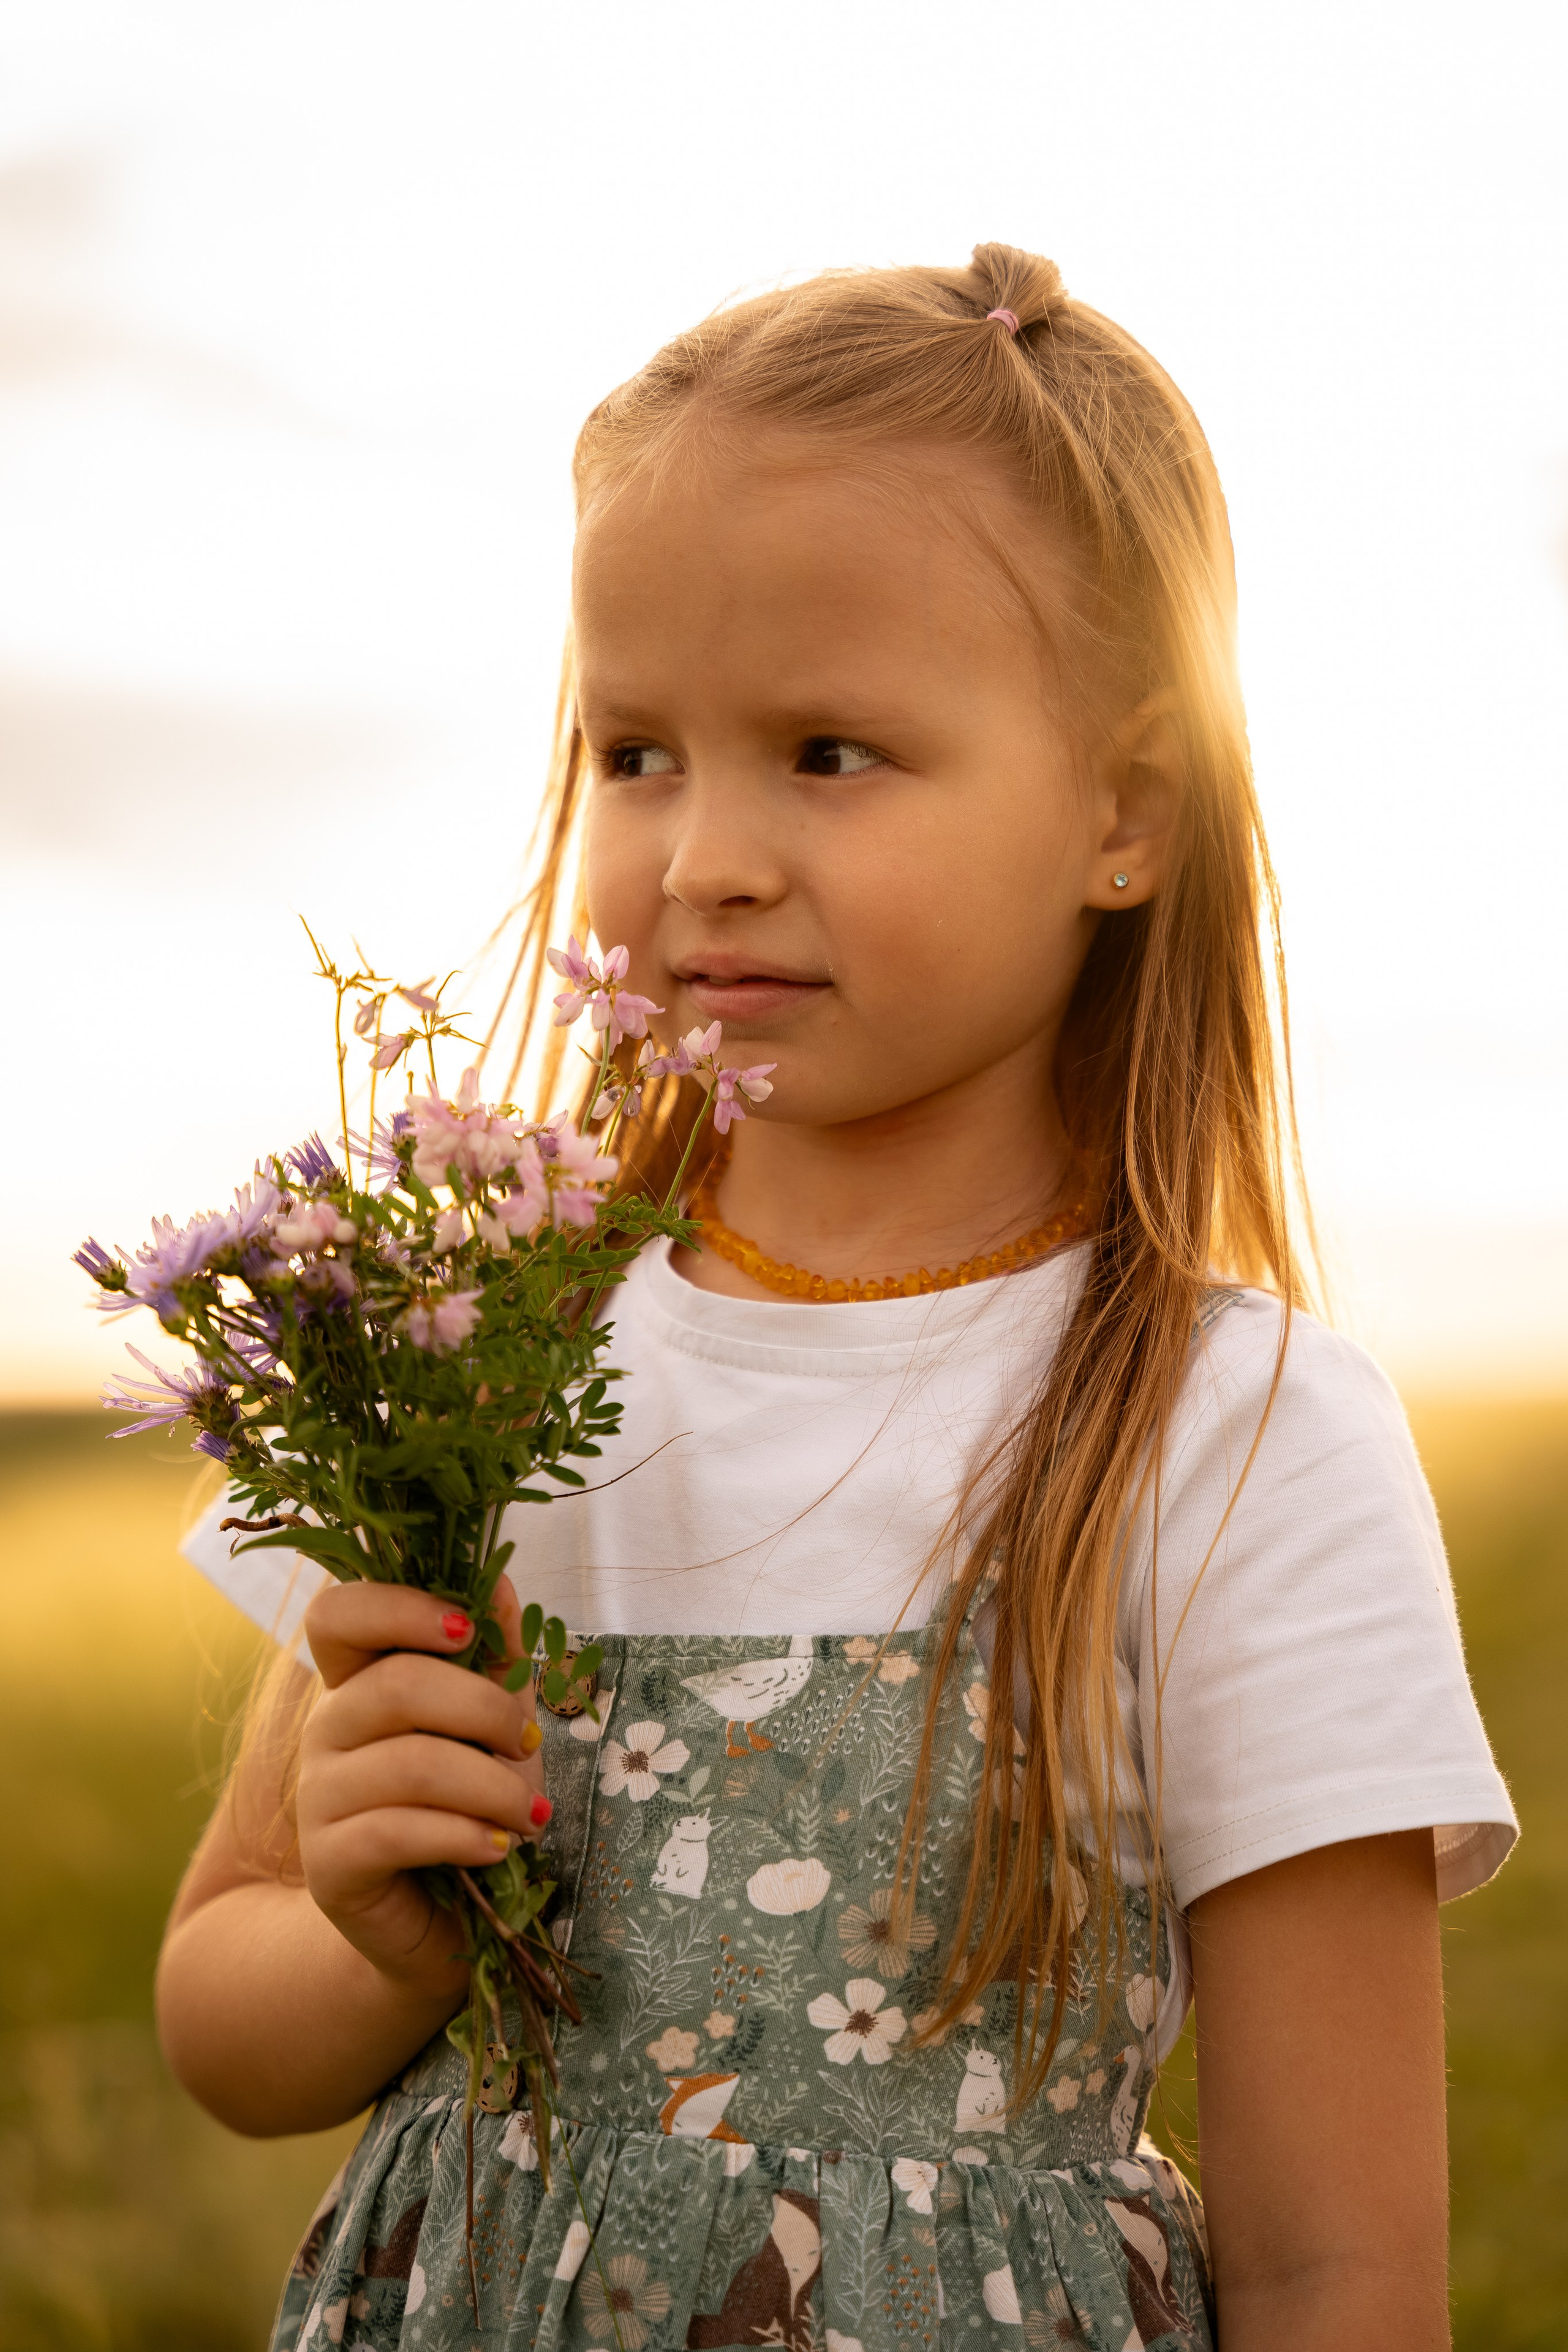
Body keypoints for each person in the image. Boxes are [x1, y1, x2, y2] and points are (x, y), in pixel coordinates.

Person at [159, 244, 1515, 2352]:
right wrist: (372, 1939)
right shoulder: (479, 1359)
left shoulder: (1233, 1436)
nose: (703, 853)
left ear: (1126, 812)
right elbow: (224, 2014)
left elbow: (1339, 2265)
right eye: (635, 751)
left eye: (828, 751)